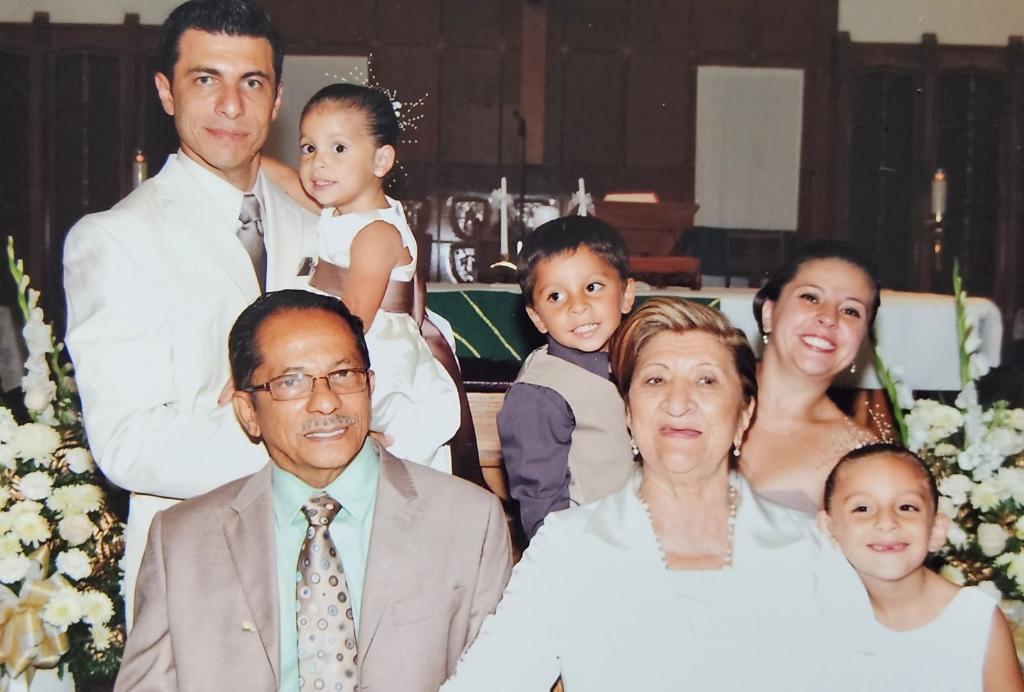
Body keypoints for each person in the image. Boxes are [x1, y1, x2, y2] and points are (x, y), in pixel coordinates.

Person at [442, 298, 874, 691]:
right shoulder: (571, 546)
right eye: (655, 380)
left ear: (744, 414)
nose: (678, 403)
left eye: (706, 380)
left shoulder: (810, 548)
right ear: (629, 413)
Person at [115, 290, 512, 692]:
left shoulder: (466, 521)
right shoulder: (183, 542)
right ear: (249, 412)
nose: (325, 402)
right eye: (291, 382)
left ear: (370, 386)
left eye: (343, 375)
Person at [62, 0, 318, 622]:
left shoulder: (318, 229)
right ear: (166, 92)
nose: (231, 106)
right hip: (197, 571)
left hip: (327, 561)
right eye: (206, 79)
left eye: (251, 82)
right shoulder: (117, 238)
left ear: (277, 99)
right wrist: (313, 445)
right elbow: (128, 442)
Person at [295, 82, 461, 473]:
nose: (318, 163)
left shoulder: (376, 234)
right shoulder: (338, 210)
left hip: (372, 358)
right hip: (340, 349)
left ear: (381, 161)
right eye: (308, 148)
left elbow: (352, 323)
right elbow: (275, 174)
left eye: (338, 148)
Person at [819, 443, 1024, 692]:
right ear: (830, 528)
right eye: (862, 508)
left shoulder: (974, 619)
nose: (886, 522)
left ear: (936, 529)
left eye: (907, 507)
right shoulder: (820, 617)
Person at [497, 215, 637, 540]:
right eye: (556, 297)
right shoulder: (539, 393)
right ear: (537, 317)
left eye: (592, 287)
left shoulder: (644, 364)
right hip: (588, 547)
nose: (578, 306)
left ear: (626, 294)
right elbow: (541, 504)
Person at [740, 241, 880, 513]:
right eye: (811, 297)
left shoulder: (860, 457)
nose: (829, 318)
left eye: (851, 311)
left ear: (862, 340)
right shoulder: (699, 396)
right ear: (769, 313)